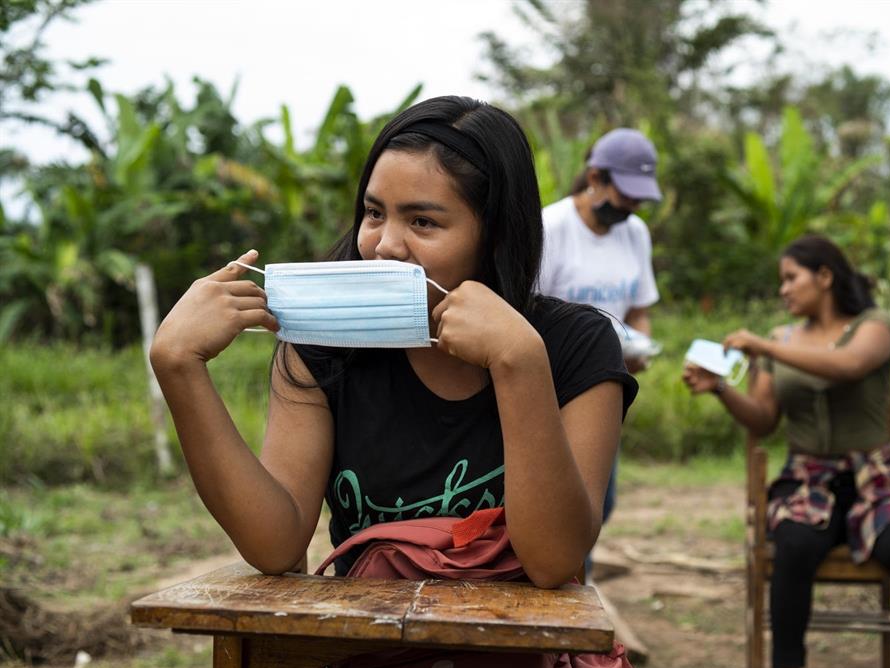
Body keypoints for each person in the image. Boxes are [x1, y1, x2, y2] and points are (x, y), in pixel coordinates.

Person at [149, 95, 638, 601]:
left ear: (495, 235)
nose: (385, 244)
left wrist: (519, 362)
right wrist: (179, 367)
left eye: (423, 222)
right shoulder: (324, 344)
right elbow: (275, 543)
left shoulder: (575, 346)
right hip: (371, 649)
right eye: (374, 213)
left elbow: (554, 561)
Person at [681, 234, 890, 668]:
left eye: (790, 278)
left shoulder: (874, 325)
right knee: (795, 546)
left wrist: (764, 348)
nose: (783, 289)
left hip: (873, 478)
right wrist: (722, 390)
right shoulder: (780, 339)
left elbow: (849, 366)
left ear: (825, 276)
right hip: (807, 479)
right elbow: (763, 420)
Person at [536, 128, 662, 545]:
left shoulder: (636, 233)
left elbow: (639, 310)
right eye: (625, 194)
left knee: (599, 503)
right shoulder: (550, 228)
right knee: (557, 504)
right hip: (552, 391)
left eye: (638, 198)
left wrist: (640, 346)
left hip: (604, 391)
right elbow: (525, 316)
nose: (631, 205)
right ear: (595, 178)